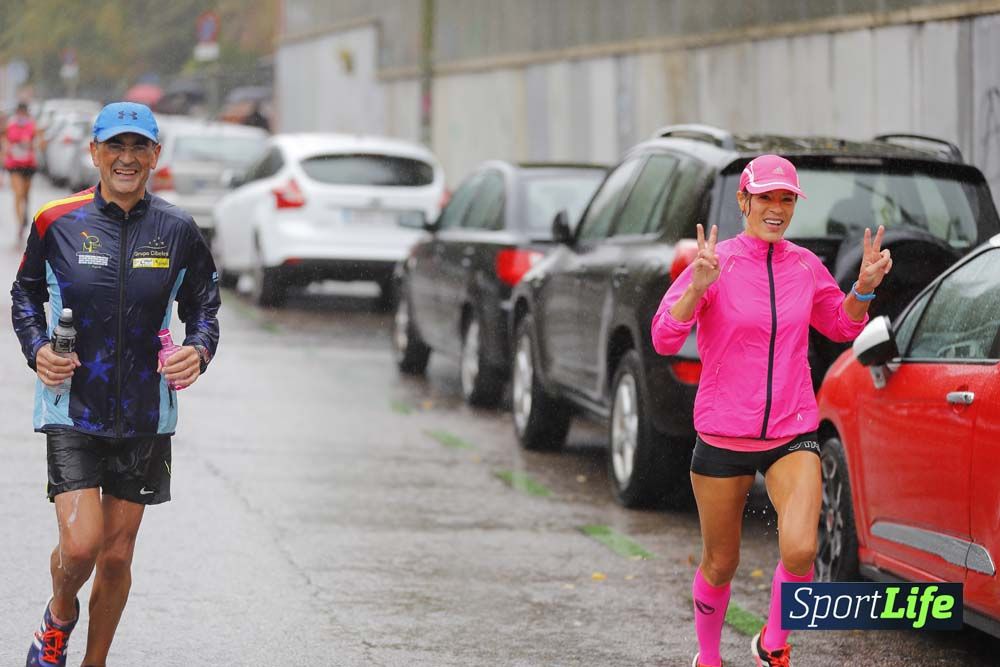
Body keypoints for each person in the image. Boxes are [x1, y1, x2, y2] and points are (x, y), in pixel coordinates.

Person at [650, 155, 892, 667]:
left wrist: (864, 287)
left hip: (791, 428)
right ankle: (709, 657)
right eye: (766, 198)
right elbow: (664, 337)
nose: (777, 209)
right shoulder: (716, 263)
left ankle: (773, 643)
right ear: (744, 202)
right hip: (722, 434)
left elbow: (841, 325)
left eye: (786, 200)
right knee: (721, 562)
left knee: (802, 549)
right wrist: (696, 287)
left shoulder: (804, 265)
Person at [11, 101, 221, 667]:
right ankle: (58, 617)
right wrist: (37, 351)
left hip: (145, 413)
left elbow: (204, 305)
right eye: (115, 147)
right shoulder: (57, 220)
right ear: (95, 153)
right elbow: (24, 294)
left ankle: (93, 661)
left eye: (138, 148)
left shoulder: (177, 229)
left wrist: (198, 350)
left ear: (155, 156)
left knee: (118, 556)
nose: (126, 159)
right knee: (81, 545)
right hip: (71, 405)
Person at [2, 102, 39, 243]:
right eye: (20, 113)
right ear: (17, 113)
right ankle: (19, 225)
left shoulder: (32, 125)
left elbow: (37, 142)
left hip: (29, 164)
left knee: (25, 194)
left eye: (24, 113)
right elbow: (5, 140)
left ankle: (24, 214)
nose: (22, 116)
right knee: (18, 194)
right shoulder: (10, 125)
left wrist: (32, 144)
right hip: (14, 164)